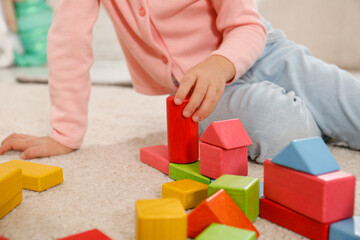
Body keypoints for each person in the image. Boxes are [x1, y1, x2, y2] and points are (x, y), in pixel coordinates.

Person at [0, 0, 359, 163]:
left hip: (265, 51)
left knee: (345, 97)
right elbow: (69, 41)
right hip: (196, 93)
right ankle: (316, 121)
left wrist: (220, 64)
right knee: (285, 128)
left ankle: (321, 115)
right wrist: (65, 132)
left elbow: (247, 26)